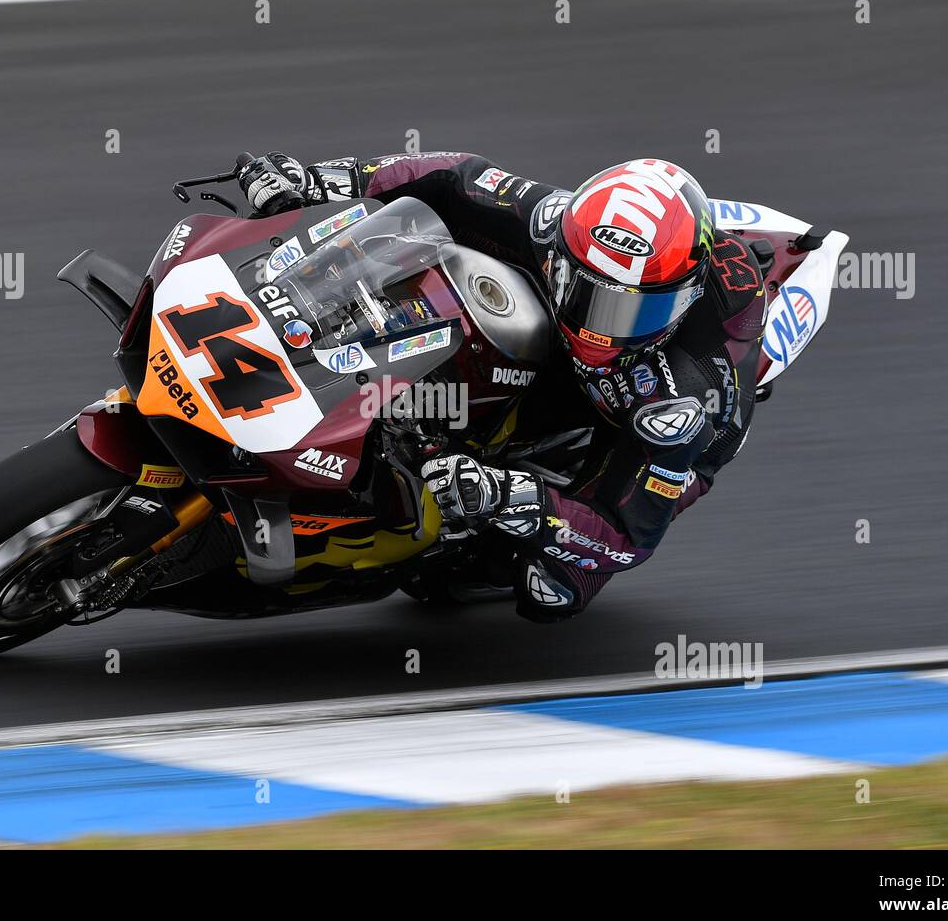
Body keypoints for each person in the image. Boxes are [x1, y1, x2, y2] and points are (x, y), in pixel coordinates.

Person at [237, 151, 767, 622]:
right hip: (567, 336)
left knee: (551, 589)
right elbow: (449, 176)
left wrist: (515, 496)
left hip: (657, 423)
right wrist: (317, 181)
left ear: (681, 299)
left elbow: (629, 536)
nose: (597, 327)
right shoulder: (553, 223)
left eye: (628, 310)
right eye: (584, 294)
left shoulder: (686, 399)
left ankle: (503, 505)